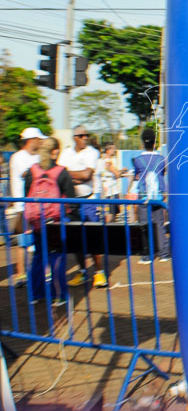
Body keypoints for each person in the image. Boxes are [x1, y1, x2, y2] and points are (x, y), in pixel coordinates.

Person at [23, 137, 74, 306]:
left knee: (38, 257)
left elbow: (27, 196)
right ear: (55, 152)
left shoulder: (32, 171)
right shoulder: (61, 172)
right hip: (56, 222)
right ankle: (58, 295)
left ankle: (34, 294)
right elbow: (71, 201)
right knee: (57, 258)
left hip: (37, 222)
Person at [58, 125, 106, 288]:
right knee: (75, 239)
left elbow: (87, 175)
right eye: (81, 135)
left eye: (87, 135)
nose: (85, 137)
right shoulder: (66, 153)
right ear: (74, 137)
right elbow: (60, 175)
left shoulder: (92, 152)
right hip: (72, 201)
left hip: (89, 200)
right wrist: (75, 177)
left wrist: (70, 175)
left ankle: (99, 273)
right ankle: (83, 272)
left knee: (93, 237)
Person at [6, 127, 46, 288]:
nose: (41, 142)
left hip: (37, 205)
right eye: (39, 139)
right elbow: (27, 175)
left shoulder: (36, 156)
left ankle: (40, 271)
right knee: (23, 241)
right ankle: (20, 274)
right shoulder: (18, 157)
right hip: (22, 205)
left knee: (40, 239)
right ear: (32, 140)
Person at [133, 128, 169, 263]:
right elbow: (162, 173)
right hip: (158, 197)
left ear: (143, 142)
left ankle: (148, 255)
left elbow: (137, 176)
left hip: (143, 197)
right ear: (155, 142)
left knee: (145, 225)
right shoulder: (161, 159)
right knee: (159, 224)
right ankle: (164, 253)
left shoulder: (137, 160)